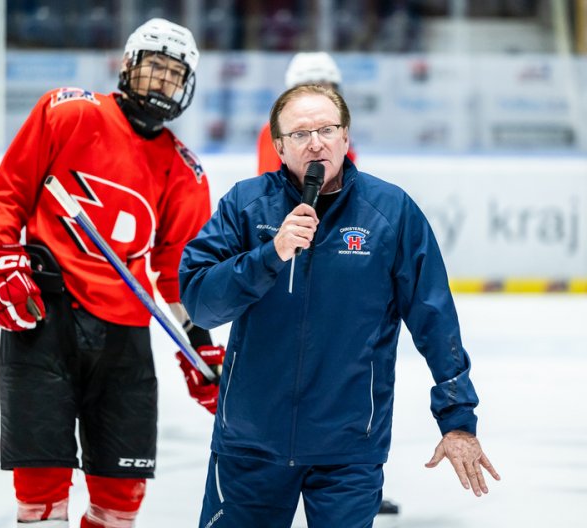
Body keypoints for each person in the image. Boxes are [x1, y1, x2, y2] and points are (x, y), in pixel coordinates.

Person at [179, 84, 500, 527]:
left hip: (347, 451)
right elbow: (200, 304)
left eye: (327, 129)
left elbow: (435, 318)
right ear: (278, 147)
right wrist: (269, 255)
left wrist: (458, 417)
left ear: (346, 138)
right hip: (250, 446)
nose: (316, 142)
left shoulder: (389, 212)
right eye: (300, 133)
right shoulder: (245, 205)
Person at [0, 18, 224, 528]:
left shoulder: (186, 172)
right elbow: (10, 193)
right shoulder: (68, 111)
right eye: (153, 67)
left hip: (124, 337)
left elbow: (178, 275)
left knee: (119, 502)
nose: (161, 82)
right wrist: (2, 256)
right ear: (128, 67)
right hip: (46, 318)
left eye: (174, 74)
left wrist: (197, 342)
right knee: (41, 496)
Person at [256, 51, 399, 517]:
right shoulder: (277, 138)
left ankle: (353, 473)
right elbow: (276, 193)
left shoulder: (338, 142)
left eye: (327, 85)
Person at [256, 52, 356, 175]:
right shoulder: (274, 131)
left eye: (323, 86)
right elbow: (270, 185)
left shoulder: (339, 128)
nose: (315, 94)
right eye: (306, 88)